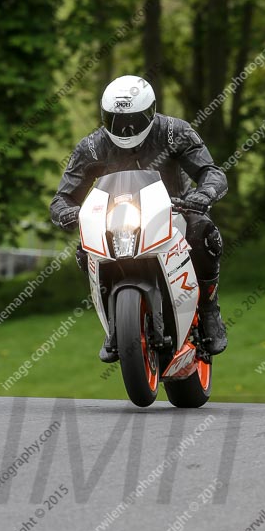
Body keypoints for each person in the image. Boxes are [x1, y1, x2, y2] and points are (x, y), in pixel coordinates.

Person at [50, 74, 228, 362]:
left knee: (204, 232)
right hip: (116, 220)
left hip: (173, 213)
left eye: (133, 120)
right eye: (116, 120)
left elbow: (211, 171)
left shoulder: (174, 132)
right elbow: (62, 198)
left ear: (152, 110)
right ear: (104, 116)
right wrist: (69, 213)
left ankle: (209, 308)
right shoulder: (92, 147)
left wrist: (203, 195)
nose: (125, 129)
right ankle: (113, 322)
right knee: (85, 249)